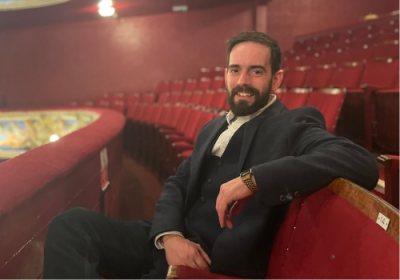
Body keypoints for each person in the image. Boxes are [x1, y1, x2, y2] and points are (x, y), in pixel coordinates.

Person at [43, 31, 379, 279]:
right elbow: (177, 182)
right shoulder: (213, 127)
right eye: (235, 70)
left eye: (255, 72)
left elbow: (359, 162)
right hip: (171, 241)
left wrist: (254, 179)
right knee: (70, 226)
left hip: (210, 262)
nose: (242, 81)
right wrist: (169, 235)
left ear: (276, 78)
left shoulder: (293, 123)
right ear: (225, 74)